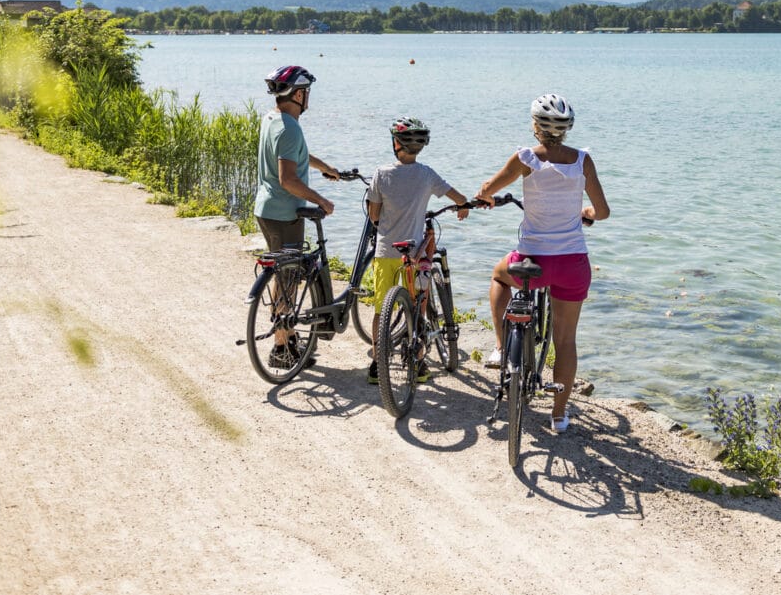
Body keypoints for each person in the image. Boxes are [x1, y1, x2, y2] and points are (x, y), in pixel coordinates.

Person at [476, 93, 609, 433]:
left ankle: (502, 347)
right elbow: (603, 211)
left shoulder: (525, 159)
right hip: (572, 264)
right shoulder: (583, 160)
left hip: (531, 261)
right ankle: (559, 415)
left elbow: (489, 189)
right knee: (565, 341)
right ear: (568, 128)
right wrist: (586, 213)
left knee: (499, 275)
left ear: (535, 126)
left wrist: (486, 195)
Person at [364, 117, 470, 384]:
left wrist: (382, 220)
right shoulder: (426, 174)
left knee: (381, 309)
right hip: (415, 254)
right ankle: (418, 364)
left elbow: (374, 214)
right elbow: (457, 197)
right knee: (418, 307)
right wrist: (464, 206)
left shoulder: (381, 173)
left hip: (387, 250)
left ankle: (377, 364)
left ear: (395, 144)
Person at [253, 64, 343, 370]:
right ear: (299, 94)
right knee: (288, 279)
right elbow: (288, 178)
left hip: (266, 209)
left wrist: (323, 167)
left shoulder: (272, 118)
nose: (309, 99)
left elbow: (295, 153)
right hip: (285, 213)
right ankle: (281, 347)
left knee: (284, 274)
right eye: (308, 93)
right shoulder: (290, 128)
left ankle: (287, 337)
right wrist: (321, 200)